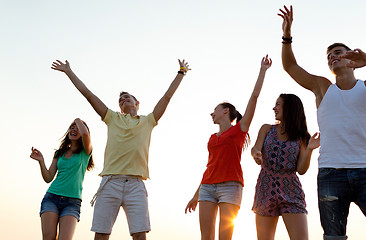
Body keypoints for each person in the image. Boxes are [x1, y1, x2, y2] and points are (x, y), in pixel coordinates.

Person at [278, 5, 366, 240]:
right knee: (334, 237)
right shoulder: (323, 88)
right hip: (330, 174)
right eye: (329, 56)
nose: (333, 56)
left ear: (352, 56)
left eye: (338, 52)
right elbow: (290, 67)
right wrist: (287, 36)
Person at [51, 59, 190, 240]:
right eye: (120, 100)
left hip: (136, 185)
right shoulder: (112, 118)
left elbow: (167, 97)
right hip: (110, 182)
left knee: (140, 235)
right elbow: (88, 94)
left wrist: (181, 72)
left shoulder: (148, 120)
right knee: (101, 235)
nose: (123, 100)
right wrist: (69, 71)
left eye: (127, 97)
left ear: (136, 102)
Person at [184, 55, 272, 240]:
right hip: (207, 186)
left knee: (225, 236)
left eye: (214, 109)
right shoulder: (211, 138)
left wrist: (262, 71)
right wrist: (195, 195)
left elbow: (254, 97)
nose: (211, 113)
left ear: (225, 111)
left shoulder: (239, 130)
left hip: (230, 186)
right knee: (205, 237)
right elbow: (210, 166)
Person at [251, 94, 320, 240]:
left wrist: (309, 150)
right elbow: (255, 148)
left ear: (289, 108)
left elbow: (301, 170)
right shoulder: (266, 129)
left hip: (291, 190)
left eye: (278, 104)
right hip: (265, 188)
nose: (274, 108)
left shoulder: (302, 137)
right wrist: (256, 153)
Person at [30, 118, 93, 240]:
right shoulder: (59, 153)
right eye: (72, 127)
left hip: (72, 203)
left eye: (77, 127)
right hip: (51, 198)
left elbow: (85, 134)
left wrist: (77, 119)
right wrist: (41, 161)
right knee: (49, 237)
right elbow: (48, 178)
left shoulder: (85, 152)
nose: (74, 129)